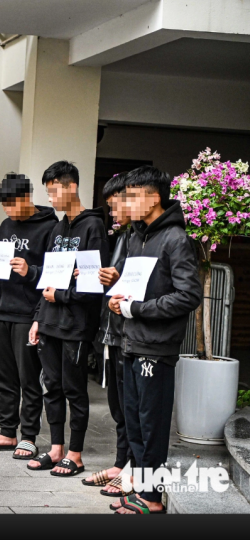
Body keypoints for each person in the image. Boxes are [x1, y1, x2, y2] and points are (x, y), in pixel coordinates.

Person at [108, 166, 201, 514]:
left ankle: (152, 498)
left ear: (154, 198)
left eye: (133, 196)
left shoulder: (176, 238)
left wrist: (139, 308)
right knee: (134, 421)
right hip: (131, 341)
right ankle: (142, 489)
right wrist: (118, 298)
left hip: (156, 347)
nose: (127, 203)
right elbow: (134, 286)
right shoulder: (137, 237)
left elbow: (188, 295)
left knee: (152, 423)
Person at [27, 161, 109, 477]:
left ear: (71, 187)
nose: (50, 199)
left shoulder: (93, 228)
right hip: (49, 321)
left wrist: (60, 296)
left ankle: (75, 454)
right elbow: (48, 278)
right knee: (52, 387)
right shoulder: (57, 229)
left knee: (74, 390)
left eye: (53, 191)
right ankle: (56, 449)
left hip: (75, 324)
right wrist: (37, 317)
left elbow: (93, 286)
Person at [0, 173, 57, 458]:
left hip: (28, 313)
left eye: (11, 204)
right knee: (3, 377)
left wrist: (30, 272)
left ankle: (29, 436)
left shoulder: (50, 228)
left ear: (26, 198)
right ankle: (7, 433)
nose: (8, 211)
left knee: (28, 378)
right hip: (2, 309)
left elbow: (56, 276)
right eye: (4, 206)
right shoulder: (6, 225)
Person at [80, 173, 136, 495]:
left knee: (132, 408)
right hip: (113, 331)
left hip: (130, 333)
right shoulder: (124, 237)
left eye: (115, 207)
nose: (112, 214)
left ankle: (131, 470)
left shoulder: (143, 238)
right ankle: (119, 462)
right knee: (118, 405)